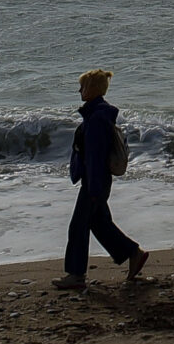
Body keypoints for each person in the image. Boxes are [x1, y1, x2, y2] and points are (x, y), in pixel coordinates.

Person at [55, 68, 148, 288]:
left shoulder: (96, 119)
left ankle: (76, 275)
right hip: (97, 179)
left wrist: (94, 190)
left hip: (94, 181)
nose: (79, 90)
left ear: (93, 89)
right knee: (98, 223)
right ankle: (133, 253)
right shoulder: (97, 115)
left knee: (78, 226)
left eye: (83, 86)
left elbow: (96, 157)